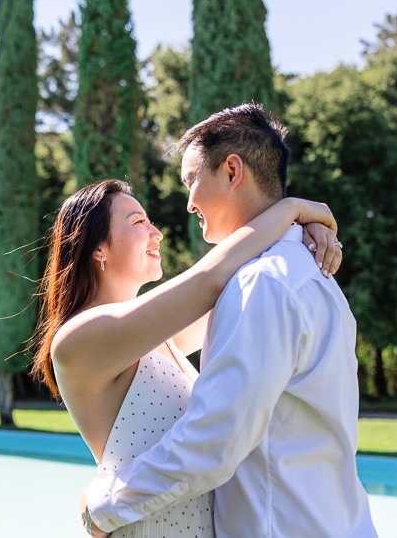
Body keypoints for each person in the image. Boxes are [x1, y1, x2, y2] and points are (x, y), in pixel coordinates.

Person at [81, 103, 378, 537]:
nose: (187, 204)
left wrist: (104, 506)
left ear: (232, 171)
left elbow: (214, 441)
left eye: (191, 181)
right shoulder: (310, 274)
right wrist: (295, 216)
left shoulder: (262, 285)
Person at [32, 174, 342, 534]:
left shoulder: (162, 339)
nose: (156, 232)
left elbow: (239, 278)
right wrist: (294, 209)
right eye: (138, 222)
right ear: (97, 249)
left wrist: (301, 235)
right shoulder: (78, 339)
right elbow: (212, 277)